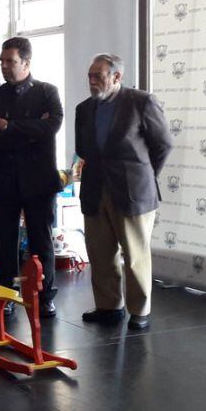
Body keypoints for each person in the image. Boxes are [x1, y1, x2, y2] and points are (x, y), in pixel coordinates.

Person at [75, 53, 173, 330]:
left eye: (98, 76)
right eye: (90, 76)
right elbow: (83, 148)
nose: (92, 81)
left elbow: (163, 144)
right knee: (100, 252)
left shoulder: (141, 102)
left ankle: (139, 310)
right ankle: (108, 307)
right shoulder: (84, 109)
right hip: (95, 188)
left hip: (133, 190)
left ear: (117, 77)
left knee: (135, 255)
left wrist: (145, 174)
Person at [0, 36, 64, 318]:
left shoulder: (48, 92)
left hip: (38, 181)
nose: (3, 66)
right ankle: (8, 295)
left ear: (26, 62)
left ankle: (44, 296)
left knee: (41, 241)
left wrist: (9, 127)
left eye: (9, 61)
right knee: (6, 243)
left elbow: (51, 127)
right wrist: (29, 130)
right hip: (4, 181)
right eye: (1, 61)